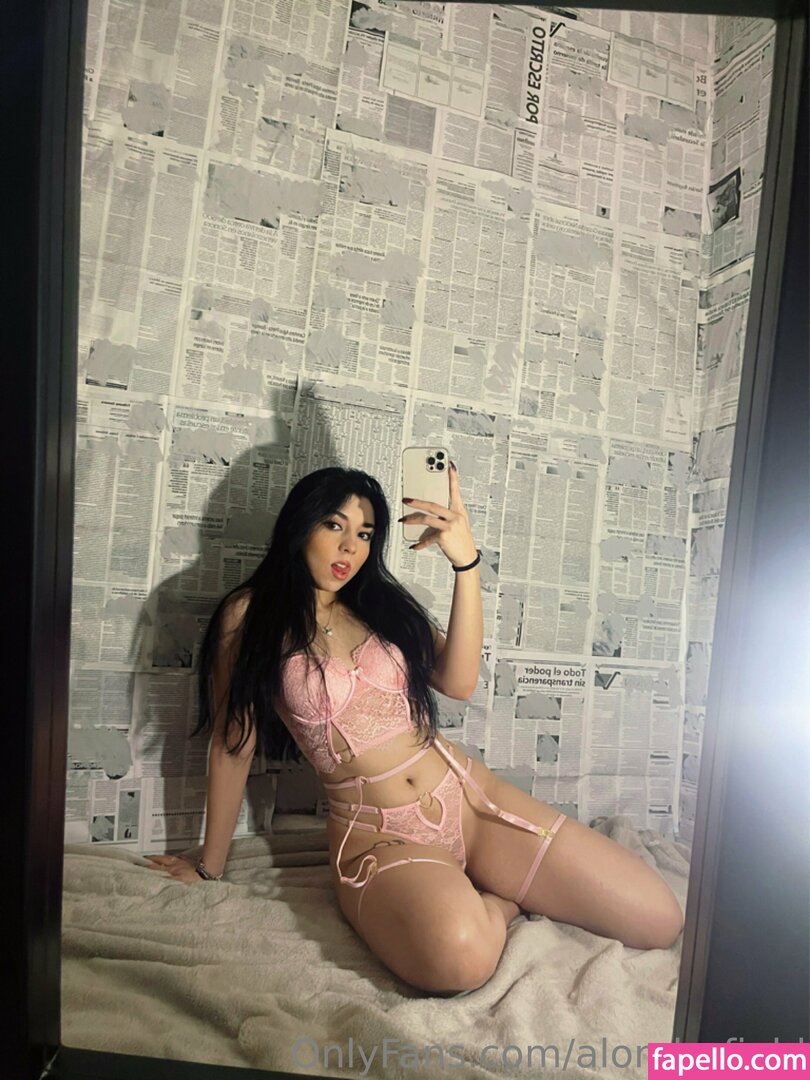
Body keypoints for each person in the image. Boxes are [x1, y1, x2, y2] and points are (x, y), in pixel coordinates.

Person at [145, 465, 683, 995]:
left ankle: (474, 884)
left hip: (469, 801)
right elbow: (233, 744)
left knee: (658, 919)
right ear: (299, 525)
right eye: (334, 525)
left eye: (364, 534)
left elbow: (459, 680)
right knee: (460, 960)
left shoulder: (378, 605)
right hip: (377, 835)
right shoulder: (249, 616)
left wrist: (465, 563)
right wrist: (210, 866)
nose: (349, 547)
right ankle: (501, 902)